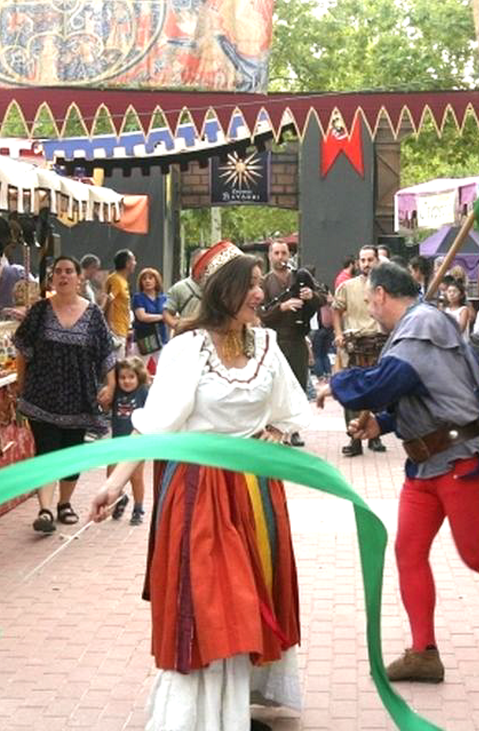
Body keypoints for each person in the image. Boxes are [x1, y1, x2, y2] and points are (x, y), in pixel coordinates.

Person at [88, 241, 310, 730]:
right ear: (224, 291)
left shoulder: (267, 345)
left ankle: (236, 711)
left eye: (258, 283)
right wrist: (115, 484)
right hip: (199, 491)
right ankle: (200, 719)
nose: (259, 293)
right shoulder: (187, 349)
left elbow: (289, 412)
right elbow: (152, 427)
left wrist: (272, 433)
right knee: (213, 601)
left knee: (253, 594)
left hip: (254, 491)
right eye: (250, 285)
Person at [315, 261, 479, 685]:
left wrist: (335, 384)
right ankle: (423, 652)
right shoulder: (422, 326)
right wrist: (382, 422)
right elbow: (428, 395)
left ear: (380, 294)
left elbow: (385, 382)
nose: (369, 307)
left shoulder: (421, 328)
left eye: (369, 299)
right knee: (409, 551)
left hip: (457, 458)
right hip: (428, 461)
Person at [13, 255, 117, 534]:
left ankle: (64, 503)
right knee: (46, 451)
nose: (63, 276)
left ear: (79, 277)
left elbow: (106, 351)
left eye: (69, 271)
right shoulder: (39, 311)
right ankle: (45, 509)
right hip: (42, 395)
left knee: (72, 452)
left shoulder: (93, 314)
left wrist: (110, 383)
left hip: (79, 396)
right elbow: (22, 349)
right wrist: (20, 382)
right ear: (51, 278)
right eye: (58, 271)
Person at [260, 240, 319, 446]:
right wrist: (282, 308)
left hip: (296, 340)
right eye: (276, 253)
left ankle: (294, 431)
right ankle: (271, 429)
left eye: (284, 253)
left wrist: (312, 296)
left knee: (298, 385)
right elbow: (261, 314)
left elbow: (322, 299)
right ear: (270, 256)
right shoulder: (264, 282)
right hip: (274, 341)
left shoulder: (300, 277)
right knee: (273, 387)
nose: (280, 257)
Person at [332, 245, 387, 456]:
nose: (366, 264)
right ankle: (354, 440)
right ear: (358, 262)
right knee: (351, 391)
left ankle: (374, 436)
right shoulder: (347, 286)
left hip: (378, 343)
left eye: (370, 260)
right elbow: (336, 310)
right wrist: (338, 334)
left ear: (376, 261)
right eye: (362, 260)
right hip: (354, 344)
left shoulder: (384, 287)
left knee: (376, 391)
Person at [105, 357, 150, 526]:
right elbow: (106, 407)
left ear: (139, 377)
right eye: (122, 377)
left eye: (131, 377)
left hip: (138, 444)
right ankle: (121, 498)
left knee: (136, 477)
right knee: (111, 476)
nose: (126, 381)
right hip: (117, 442)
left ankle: (138, 509)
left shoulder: (143, 392)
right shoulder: (115, 392)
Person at [132, 267, 171, 362]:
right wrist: (163, 317)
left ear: (156, 281)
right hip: (145, 338)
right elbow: (142, 317)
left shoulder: (164, 298)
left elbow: (172, 315)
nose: (147, 281)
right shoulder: (138, 297)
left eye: (150, 278)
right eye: (144, 279)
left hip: (161, 337)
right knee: (139, 368)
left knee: (163, 367)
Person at [105, 249, 137, 356]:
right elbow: (109, 300)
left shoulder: (123, 281)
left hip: (123, 329)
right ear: (127, 263)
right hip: (116, 330)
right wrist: (110, 326)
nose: (135, 263)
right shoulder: (115, 280)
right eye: (133, 260)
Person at [165, 247, 208, 326]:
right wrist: (177, 326)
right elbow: (167, 313)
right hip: (187, 334)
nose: (205, 264)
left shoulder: (218, 287)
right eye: (201, 260)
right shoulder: (180, 287)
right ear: (193, 263)